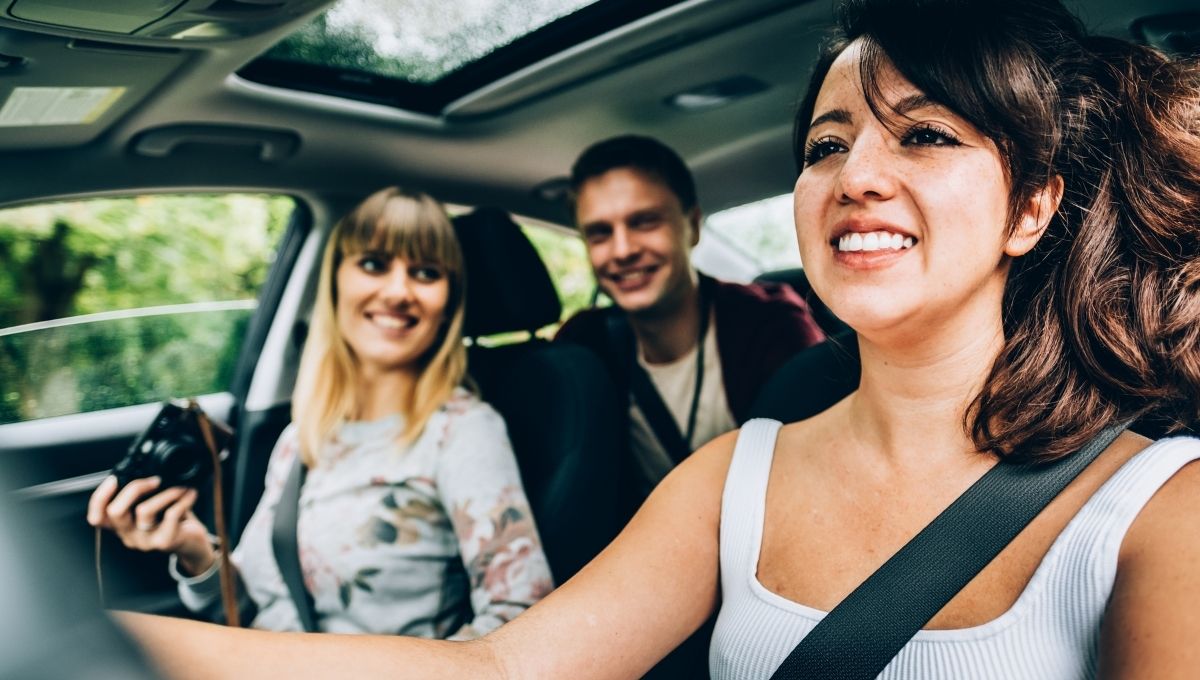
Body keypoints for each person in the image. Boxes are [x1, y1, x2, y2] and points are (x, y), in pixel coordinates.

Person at [117, 0, 1200, 677]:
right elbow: (502, 669)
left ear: (1032, 208)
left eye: (925, 134)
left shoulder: (1157, 507)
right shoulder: (734, 474)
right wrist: (101, 645)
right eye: (828, 143)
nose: (857, 172)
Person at [88, 186, 553, 638]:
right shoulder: (303, 435)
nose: (397, 291)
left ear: (449, 302)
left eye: (426, 273)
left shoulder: (463, 432)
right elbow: (254, 607)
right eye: (374, 264)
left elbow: (520, 625)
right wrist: (192, 550)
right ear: (335, 282)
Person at [556, 135, 826, 509]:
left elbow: (817, 467)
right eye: (600, 233)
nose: (622, 250)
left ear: (693, 226)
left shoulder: (769, 324)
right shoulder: (581, 348)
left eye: (645, 222)